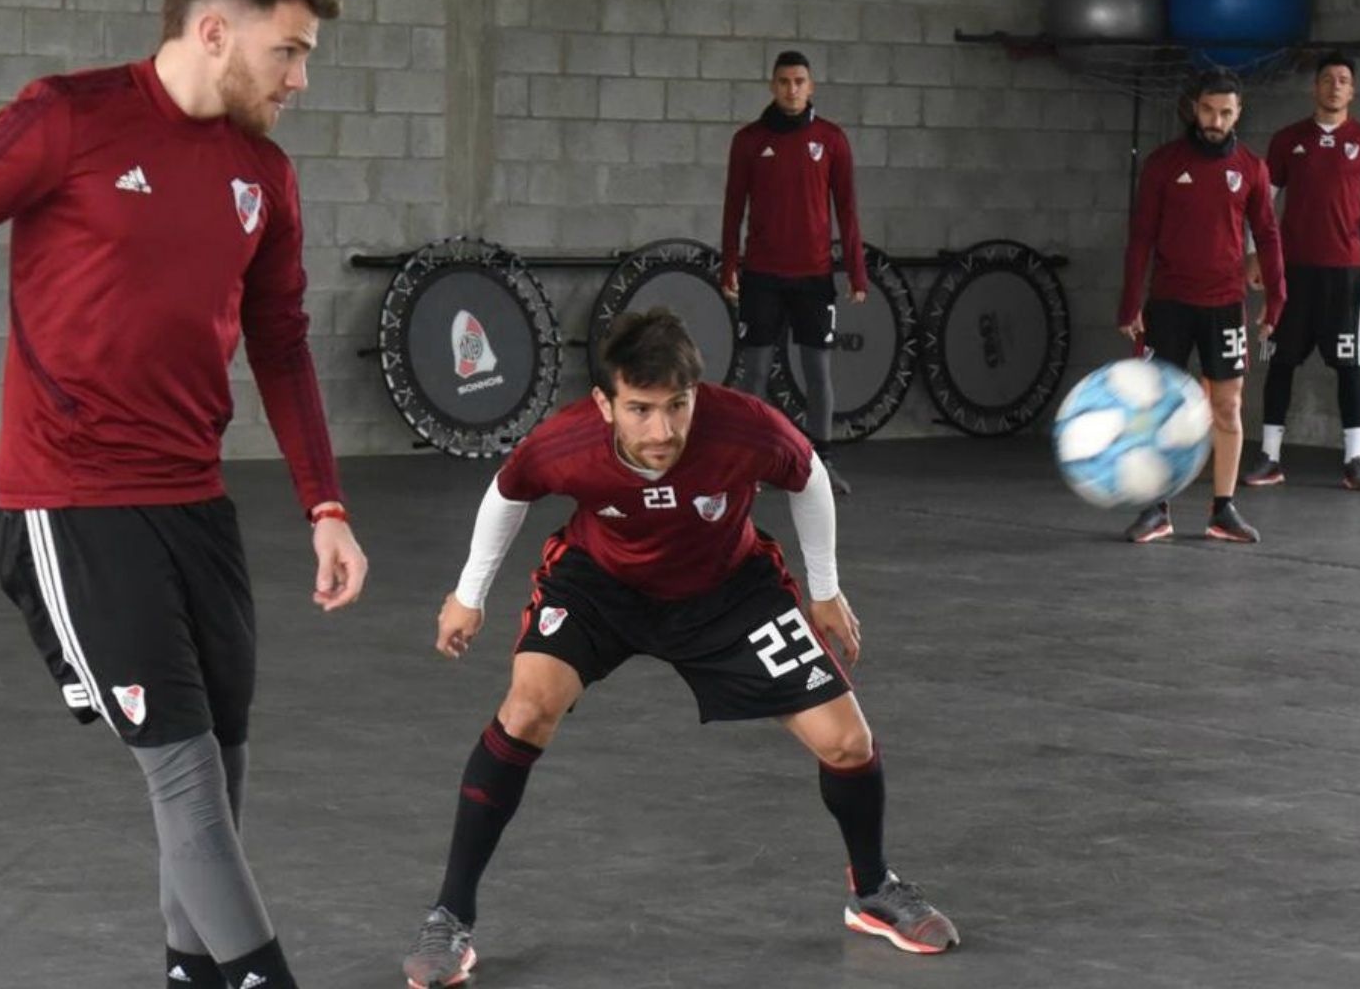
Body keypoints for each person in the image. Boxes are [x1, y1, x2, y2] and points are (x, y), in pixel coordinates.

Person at [0, 0, 365, 988]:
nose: (300, 79)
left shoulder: (266, 176)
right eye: (288, 52)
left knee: (223, 769)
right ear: (214, 32)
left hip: (197, 506)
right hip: (76, 504)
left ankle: (194, 976)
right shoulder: (68, 120)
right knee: (186, 783)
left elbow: (282, 346)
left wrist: (325, 507)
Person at [399, 310, 957, 989]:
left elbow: (807, 475)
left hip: (727, 591)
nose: (661, 430)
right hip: (601, 586)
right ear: (606, 402)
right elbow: (507, 493)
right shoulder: (567, 440)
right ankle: (449, 917)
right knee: (526, 709)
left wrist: (825, 588)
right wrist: (468, 593)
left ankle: (871, 890)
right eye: (639, 409)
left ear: (698, 393)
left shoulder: (745, 427)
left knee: (847, 742)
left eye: (676, 407)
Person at [1118, 66, 1287, 544]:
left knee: (1227, 406)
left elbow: (1269, 236)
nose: (1216, 120)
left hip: (1224, 305)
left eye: (1225, 113)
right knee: (1161, 408)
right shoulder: (1163, 164)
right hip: (1169, 303)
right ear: (1195, 108)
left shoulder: (1251, 168)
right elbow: (1141, 239)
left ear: (1238, 114)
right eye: (1209, 110)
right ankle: (1157, 508)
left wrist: (1277, 299)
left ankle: (1223, 509)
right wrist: (1130, 304)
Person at [1242, 52, 1360, 491]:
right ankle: (1270, 457)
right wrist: (1254, 254)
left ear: (1353, 90)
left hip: (1344, 274)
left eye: (1343, 80)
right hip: (1291, 273)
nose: (1334, 86)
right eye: (1327, 79)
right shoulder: (1288, 139)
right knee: (1282, 362)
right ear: (1316, 88)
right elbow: (1263, 200)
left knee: (1350, 366)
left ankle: (1355, 461)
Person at [719, 50, 867, 496]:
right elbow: (732, 208)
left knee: (818, 374)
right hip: (762, 275)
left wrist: (857, 272)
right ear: (772, 85)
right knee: (754, 375)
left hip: (814, 278)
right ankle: (749, 467)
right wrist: (729, 264)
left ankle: (820, 467)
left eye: (799, 81)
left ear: (811, 86)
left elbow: (847, 209)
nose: (792, 89)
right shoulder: (748, 140)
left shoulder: (831, 139)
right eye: (783, 81)